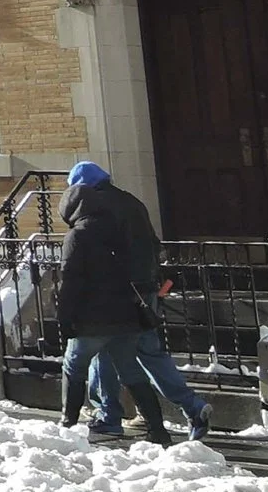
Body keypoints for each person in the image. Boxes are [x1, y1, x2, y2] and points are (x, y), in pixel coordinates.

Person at [65, 161, 209, 443]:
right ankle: (190, 407)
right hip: (148, 289)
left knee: (109, 353)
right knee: (147, 354)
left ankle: (109, 416)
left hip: (122, 293)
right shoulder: (131, 201)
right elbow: (152, 243)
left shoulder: (96, 208)